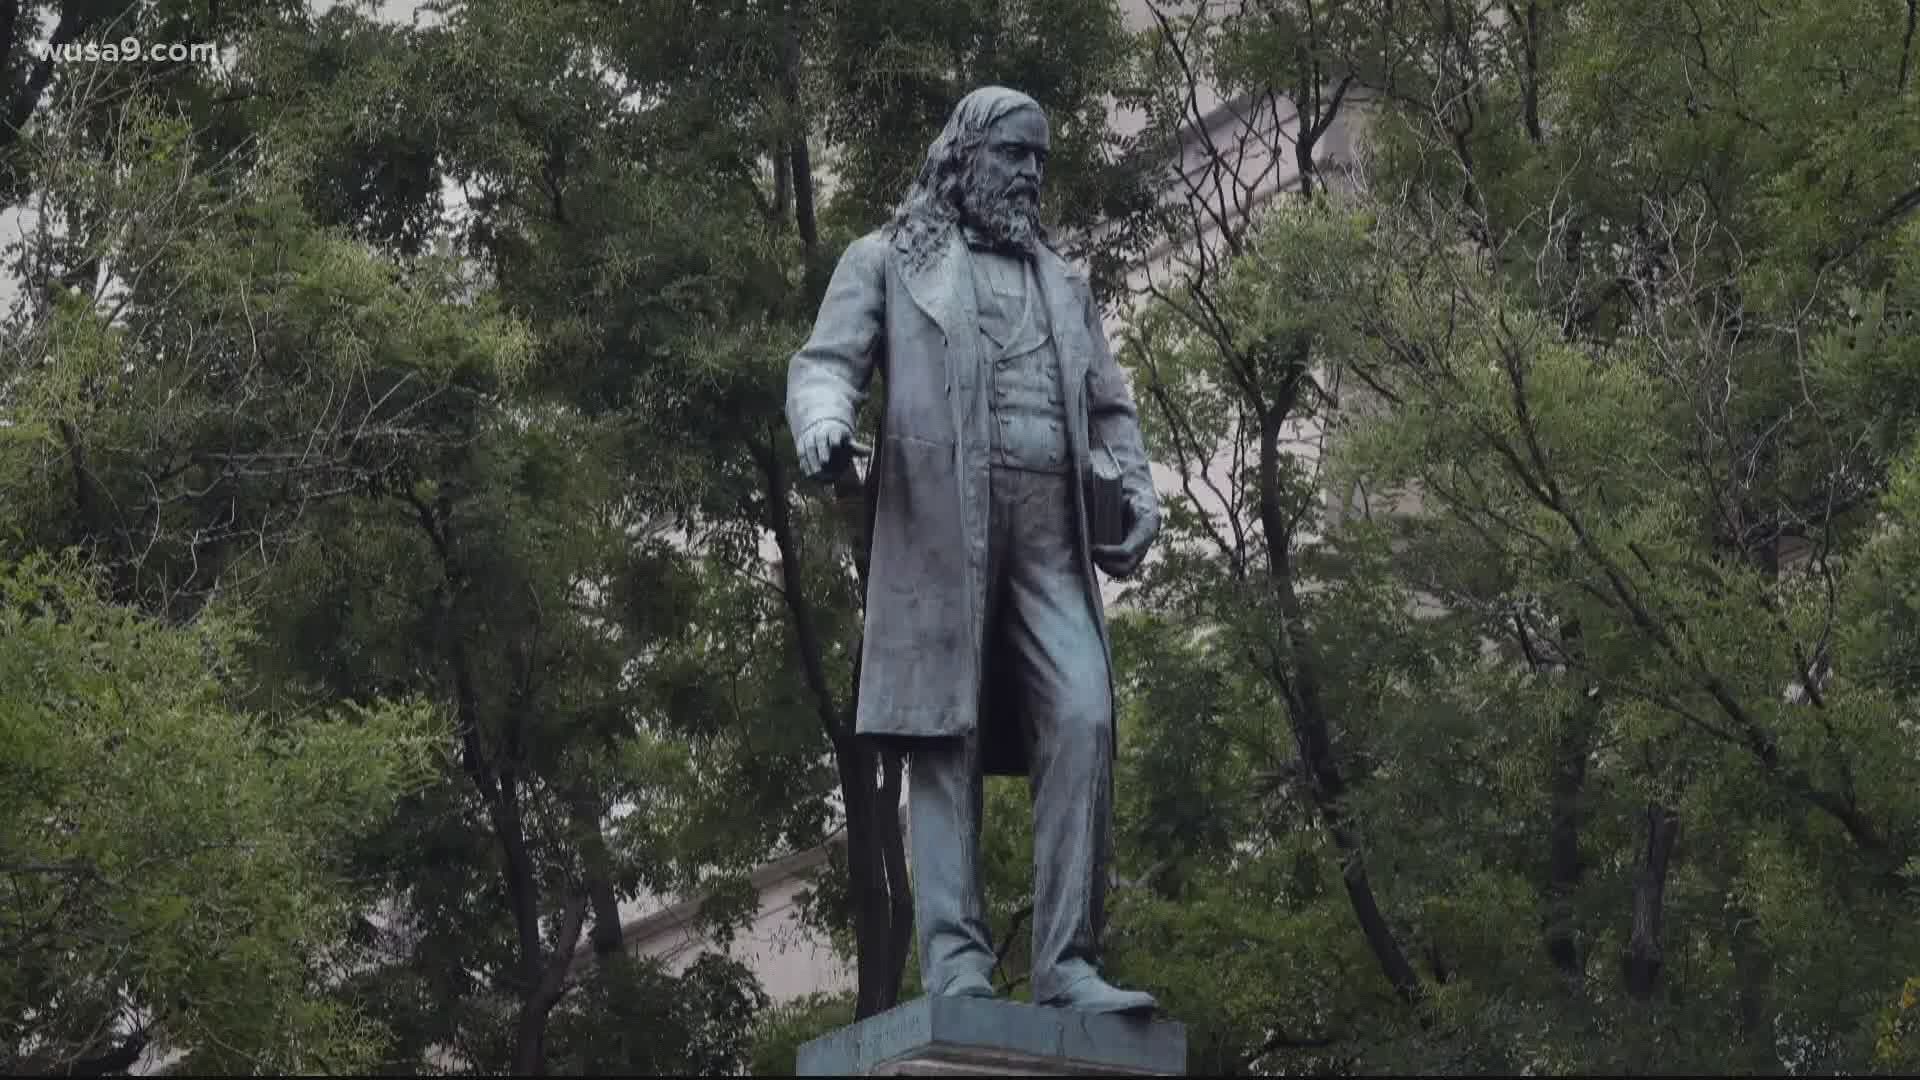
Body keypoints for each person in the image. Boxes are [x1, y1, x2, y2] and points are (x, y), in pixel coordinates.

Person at [785, 85, 1160, 1014]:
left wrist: (1138, 487)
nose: (1031, 174)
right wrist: (826, 428)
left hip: (1050, 539)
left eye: (1040, 159)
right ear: (964, 158)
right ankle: (956, 966)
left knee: (1084, 717)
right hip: (941, 531)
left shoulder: (1065, 285)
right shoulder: (887, 260)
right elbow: (824, 365)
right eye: (1013, 156)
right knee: (941, 737)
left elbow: (1110, 409)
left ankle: (1069, 962)